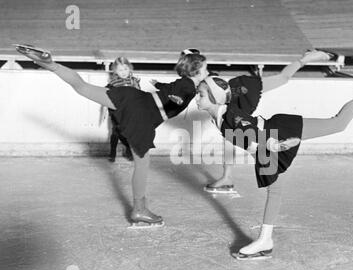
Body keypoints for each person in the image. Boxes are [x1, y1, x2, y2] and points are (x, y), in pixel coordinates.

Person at [196, 69, 353, 260]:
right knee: (275, 190)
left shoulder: (229, 116)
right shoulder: (219, 117)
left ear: (215, 98)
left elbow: (255, 133)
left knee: (338, 123)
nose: (197, 98)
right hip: (266, 147)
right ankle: (265, 240)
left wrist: (276, 145)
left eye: (201, 94)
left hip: (278, 131)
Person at [15, 44, 208, 228]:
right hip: (142, 115)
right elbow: (181, 91)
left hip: (131, 98)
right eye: (206, 69)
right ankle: (139, 210)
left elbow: (175, 88)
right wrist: (178, 98)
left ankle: (50, 63)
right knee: (143, 163)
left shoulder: (186, 82)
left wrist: (164, 87)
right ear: (196, 71)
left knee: (83, 87)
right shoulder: (189, 86)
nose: (207, 72)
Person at [203, 50, 333, 193]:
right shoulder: (219, 109)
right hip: (240, 119)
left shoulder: (237, 92)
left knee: (282, 78)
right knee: (229, 137)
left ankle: (308, 58)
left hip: (245, 100)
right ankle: (227, 177)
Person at [100, 56, 139, 162]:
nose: (123, 72)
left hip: (129, 112)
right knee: (115, 132)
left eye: (126, 69)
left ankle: (128, 149)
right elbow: (105, 96)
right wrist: (104, 109)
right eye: (120, 70)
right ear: (115, 71)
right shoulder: (113, 83)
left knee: (128, 132)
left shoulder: (134, 81)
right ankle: (112, 152)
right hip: (116, 112)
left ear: (130, 68)